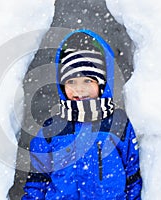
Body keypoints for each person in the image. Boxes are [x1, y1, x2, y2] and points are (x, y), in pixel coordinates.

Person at [22, 30, 142, 199]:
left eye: (87, 81)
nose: (79, 89)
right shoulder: (52, 129)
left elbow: (132, 177)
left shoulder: (118, 123)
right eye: (71, 82)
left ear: (100, 84)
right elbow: (38, 181)